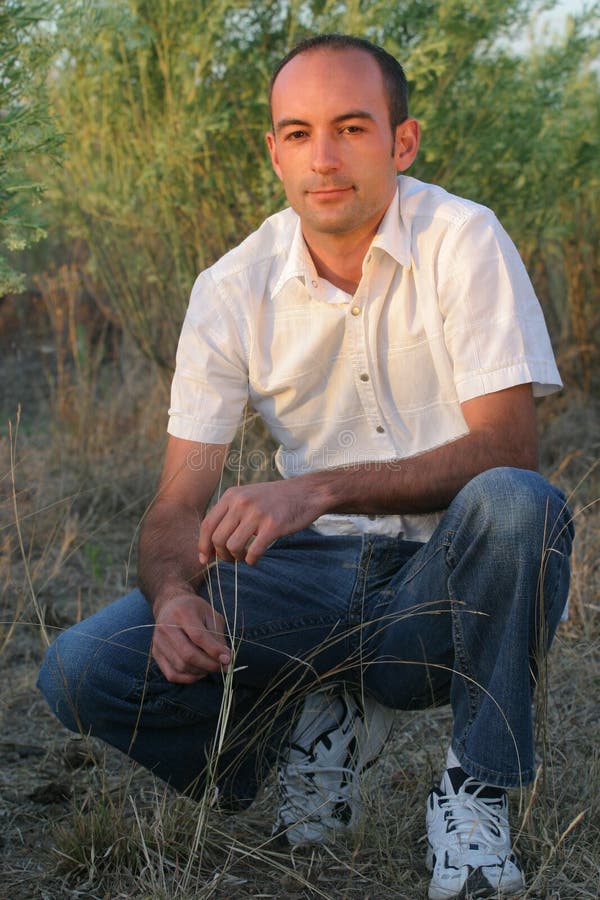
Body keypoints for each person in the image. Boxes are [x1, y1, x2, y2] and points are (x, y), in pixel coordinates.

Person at [38, 33, 574, 899]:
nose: (322, 159)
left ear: (402, 142)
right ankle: (297, 729)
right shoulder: (231, 287)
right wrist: (177, 601)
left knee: (518, 504)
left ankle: (474, 792)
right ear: (273, 152)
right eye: (296, 133)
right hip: (310, 586)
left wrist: (316, 487)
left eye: (351, 128)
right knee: (79, 667)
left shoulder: (462, 239)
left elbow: (508, 450)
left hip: (440, 586)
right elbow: (178, 506)